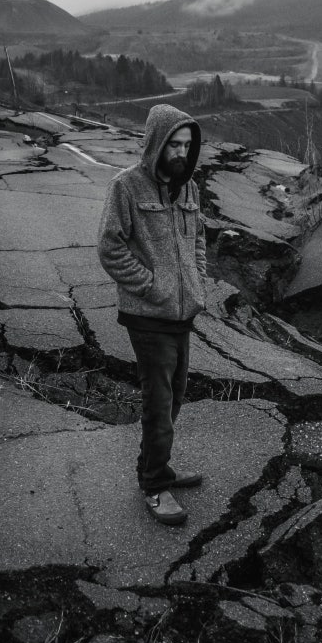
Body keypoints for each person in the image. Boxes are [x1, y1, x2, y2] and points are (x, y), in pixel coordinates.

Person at [97, 104, 207, 525]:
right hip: (147, 315)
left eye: (186, 145)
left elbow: (198, 239)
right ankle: (155, 487)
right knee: (159, 403)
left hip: (183, 314)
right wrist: (153, 287)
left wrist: (197, 282)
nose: (180, 153)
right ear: (156, 144)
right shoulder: (127, 187)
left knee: (175, 396)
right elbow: (110, 247)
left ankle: (155, 468)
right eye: (174, 145)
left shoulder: (189, 188)